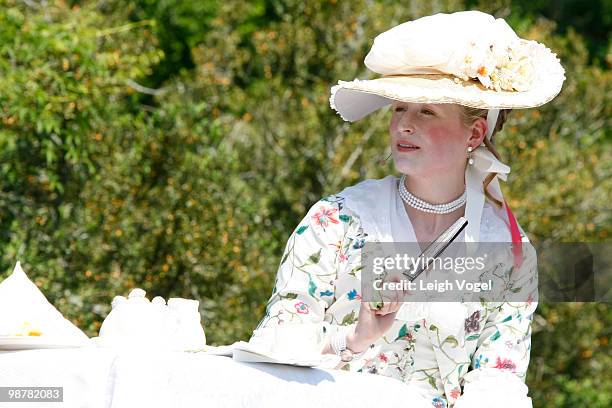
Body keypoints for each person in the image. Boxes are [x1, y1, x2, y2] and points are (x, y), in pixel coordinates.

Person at [252, 10, 564, 408]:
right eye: (399, 108)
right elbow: (273, 346)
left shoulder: (509, 250)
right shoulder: (336, 220)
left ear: (474, 132)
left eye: (426, 111)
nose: (404, 125)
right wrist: (354, 339)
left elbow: (497, 379)